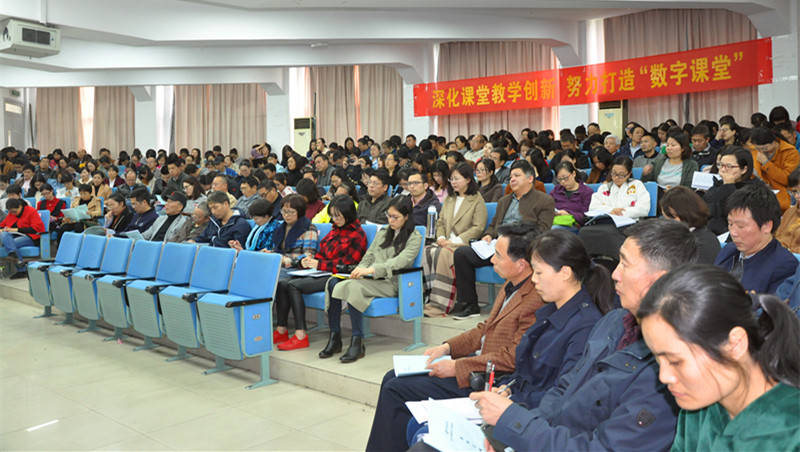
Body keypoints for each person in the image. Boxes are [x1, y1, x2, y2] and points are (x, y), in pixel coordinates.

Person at [469, 219, 697, 452]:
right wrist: (512, 435)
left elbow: (601, 448)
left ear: (659, 280)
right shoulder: (613, 323)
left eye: (625, 264)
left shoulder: (666, 370)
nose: (615, 274)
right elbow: (563, 392)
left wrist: (514, 423)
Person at [366, 223, 543, 451]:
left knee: (396, 389)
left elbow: (511, 359)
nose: (492, 260)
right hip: (476, 363)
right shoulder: (511, 283)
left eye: (498, 256)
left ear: (521, 264)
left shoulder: (535, 299)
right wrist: (447, 348)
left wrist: (456, 367)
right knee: (391, 377)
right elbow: (484, 329)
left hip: (490, 377)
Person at [639, 265, 800, 451]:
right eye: (658, 360)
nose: (664, 377)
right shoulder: (700, 406)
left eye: (676, 361)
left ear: (735, 344)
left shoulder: (791, 433)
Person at [451, 160, 554, 319]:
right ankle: (470, 304)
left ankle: (516, 306)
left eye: (517, 175)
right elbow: (493, 226)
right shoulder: (504, 201)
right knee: (462, 254)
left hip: (521, 248)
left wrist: (516, 237)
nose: (512, 179)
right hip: (497, 246)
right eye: (511, 176)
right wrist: (488, 235)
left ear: (530, 178)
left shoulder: (544, 200)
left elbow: (542, 230)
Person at [326, 196, 422, 363]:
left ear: (407, 216)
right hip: (371, 278)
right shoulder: (384, 232)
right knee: (333, 282)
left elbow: (400, 261)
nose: (391, 220)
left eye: (395, 217)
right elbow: (369, 255)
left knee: (353, 288)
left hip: (391, 282)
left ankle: (357, 340)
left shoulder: (414, 237)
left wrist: (372, 270)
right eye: (389, 216)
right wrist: (360, 270)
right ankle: (335, 335)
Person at [274, 196, 368, 352]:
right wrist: (309, 261)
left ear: (348, 214)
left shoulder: (357, 234)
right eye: (332, 215)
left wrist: (319, 264)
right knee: (283, 283)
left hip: (338, 275)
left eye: (338, 215)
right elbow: (322, 253)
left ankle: (300, 335)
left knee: (293, 285)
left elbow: (347, 264)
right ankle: (281, 329)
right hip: (322, 271)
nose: (334, 219)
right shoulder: (334, 230)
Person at [423, 163, 488, 316]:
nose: (453, 182)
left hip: (462, 243)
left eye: (457, 179)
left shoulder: (477, 200)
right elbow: (440, 222)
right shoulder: (450, 199)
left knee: (444, 254)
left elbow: (478, 228)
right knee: (426, 251)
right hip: (445, 241)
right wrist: (440, 237)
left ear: (468, 180)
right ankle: (429, 296)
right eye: (451, 179)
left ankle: (442, 303)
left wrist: (455, 241)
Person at [715, 184, 798, 295]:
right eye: (730, 224)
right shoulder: (728, 251)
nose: (733, 233)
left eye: (740, 226)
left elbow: (773, 305)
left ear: (766, 226)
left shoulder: (784, 266)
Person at [579, 156, 651, 261]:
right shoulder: (604, 187)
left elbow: (643, 208)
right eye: (614, 173)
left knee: (609, 232)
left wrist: (621, 212)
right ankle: (591, 262)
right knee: (584, 231)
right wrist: (610, 211)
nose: (616, 178)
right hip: (606, 222)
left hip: (628, 223)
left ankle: (621, 261)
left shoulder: (637, 185)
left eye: (621, 175)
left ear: (629, 174)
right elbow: (593, 207)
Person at [702, 146, 763, 235]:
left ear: (744, 169)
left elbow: (737, 213)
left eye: (729, 166)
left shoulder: (755, 190)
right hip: (711, 232)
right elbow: (706, 205)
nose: (723, 170)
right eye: (721, 165)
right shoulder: (718, 185)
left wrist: (729, 186)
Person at [659, 186, 720, 264]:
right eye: (665, 217)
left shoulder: (704, 243)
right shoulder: (675, 236)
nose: (668, 222)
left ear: (688, 213)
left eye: (673, 217)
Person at [750, 127, 799, 212]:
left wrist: (766, 163)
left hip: (783, 194)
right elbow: (752, 174)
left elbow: (787, 180)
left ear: (773, 142)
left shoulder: (790, 152)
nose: (761, 151)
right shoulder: (755, 151)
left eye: (764, 148)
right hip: (760, 191)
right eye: (758, 148)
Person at [270, 194, 318, 271]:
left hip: (295, 267)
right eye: (284, 211)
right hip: (279, 264)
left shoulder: (309, 228)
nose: (286, 215)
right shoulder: (280, 228)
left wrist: (286, 261)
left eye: (291, 212)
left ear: (299, 212)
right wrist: (269, 254)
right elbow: (276, 249)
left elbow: (309, 255)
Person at [0, 198, 45, 266]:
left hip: (31, 237)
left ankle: (18, 262)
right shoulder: (11, 214)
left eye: (14, 211)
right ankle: (14, 255)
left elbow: (34, 229)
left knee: (11, 243)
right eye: (11, 212)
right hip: (15, 236)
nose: (13, 214)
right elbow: (2, 225)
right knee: (4, 234)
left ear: (20, 206)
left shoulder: (31, 211)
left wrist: (16, 230)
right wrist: (1, 229)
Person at [549, 162, 593, 228]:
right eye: (559, 179)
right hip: (556, 221)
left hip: (575, 224)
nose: (562, 182)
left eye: (565, 178)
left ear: (573, 174)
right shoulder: (556, 190)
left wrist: (569, 214)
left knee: (554, 229)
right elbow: (547, 205)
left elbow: (585, 216)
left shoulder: (586, 192)